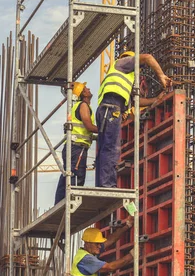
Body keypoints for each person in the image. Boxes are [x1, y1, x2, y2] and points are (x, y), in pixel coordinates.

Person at [96, 51, 172, 188]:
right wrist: (161, 76)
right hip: (112, 107)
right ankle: (107, 185)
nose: (140, 70)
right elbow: (148, 57)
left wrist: (156, 99)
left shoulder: (125, 79)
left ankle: (103, 184)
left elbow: (135, 101)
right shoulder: (122, 63)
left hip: (109, 108)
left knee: (105, 148)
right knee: (111, 148)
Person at [55, 82, 98, 204]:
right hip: (77, 148)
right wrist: (105, 130)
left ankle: (59, 204)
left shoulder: (78, 106)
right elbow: (89, 126)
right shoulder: (83, 105)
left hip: (73, 147)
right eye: (85, 88)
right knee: (76, 178)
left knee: (67, 176)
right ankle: (70, 205)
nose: (88, 88)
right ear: (83, 94)